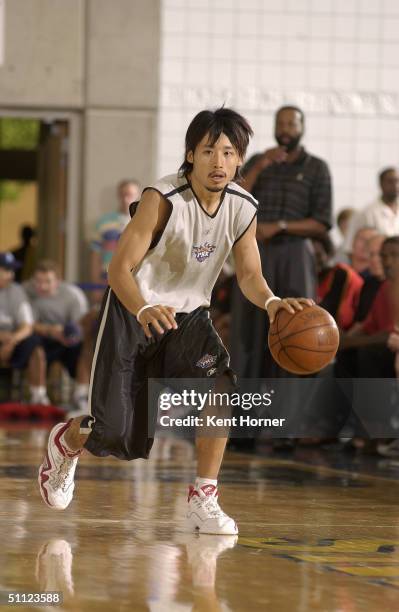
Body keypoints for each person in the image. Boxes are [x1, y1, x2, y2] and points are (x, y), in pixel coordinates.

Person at [37, 107, 312, 534]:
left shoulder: (243, 208)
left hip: (188, 317)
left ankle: (204, 496)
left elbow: (251, 274)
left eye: (228, 152)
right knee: (114, 435)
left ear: (240, 160)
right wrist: (144, 307)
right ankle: (64, 443)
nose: (218, 162)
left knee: (220, 385)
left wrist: (272, 302)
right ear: (190, 155)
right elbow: (118, 269)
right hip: (136, 311)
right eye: (208, 151)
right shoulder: (161, 199)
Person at [231, 105, 332, 377]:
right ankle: (246, 408)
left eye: (291, 124)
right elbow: (233, 198)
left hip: (296, 252)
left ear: (302, 128)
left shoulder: (316, 168)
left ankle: (289, 412)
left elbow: (322, 222)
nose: (285, 130)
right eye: (281, 124)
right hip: (256, 250)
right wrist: (260, 165)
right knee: (248, 330)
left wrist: (280, 226)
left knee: (296, 324)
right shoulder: (257, 161)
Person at [24, 260, 90, 410]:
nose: (42, 286)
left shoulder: (73, 295)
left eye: (47, 281)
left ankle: (81, 395)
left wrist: (69, 335)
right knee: (33, 346)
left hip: (69, 339)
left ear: (58, 281)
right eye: (38, 281)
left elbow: (81, 325)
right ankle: (38, 397)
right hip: (41, 338)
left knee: (88, 347)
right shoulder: (25, 291)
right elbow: (26, 324)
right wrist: (51, 330)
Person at [0, 252, 45, 403]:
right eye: (6, 270)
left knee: (35, 346)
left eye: (11, 270)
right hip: (3, 337)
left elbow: (27, 325)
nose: (11, 275)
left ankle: (38, 396)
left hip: (11, 339)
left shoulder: (16, 290)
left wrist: (11, 340)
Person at [90, 179, 142, 287]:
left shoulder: (143, 221)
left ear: (138, 195)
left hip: (136, 276)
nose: (126, 199)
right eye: (123, 195)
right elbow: (95, 254)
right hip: (107, 275)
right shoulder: (103, 222)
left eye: (130, 195)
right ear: (118, 195)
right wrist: (95, 284)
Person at [313, 235, 363, 331]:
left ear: (328, 255)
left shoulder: (341, 274)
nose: (314, 261)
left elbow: (334, 314)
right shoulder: (306, 277)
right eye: (310, 256)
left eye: (318, 255)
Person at [344, 167, 399, 253]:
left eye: (397, 181)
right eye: (390, 181)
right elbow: (349, 248)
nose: (395, 185)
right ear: (381, 184)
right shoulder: (365, 213)